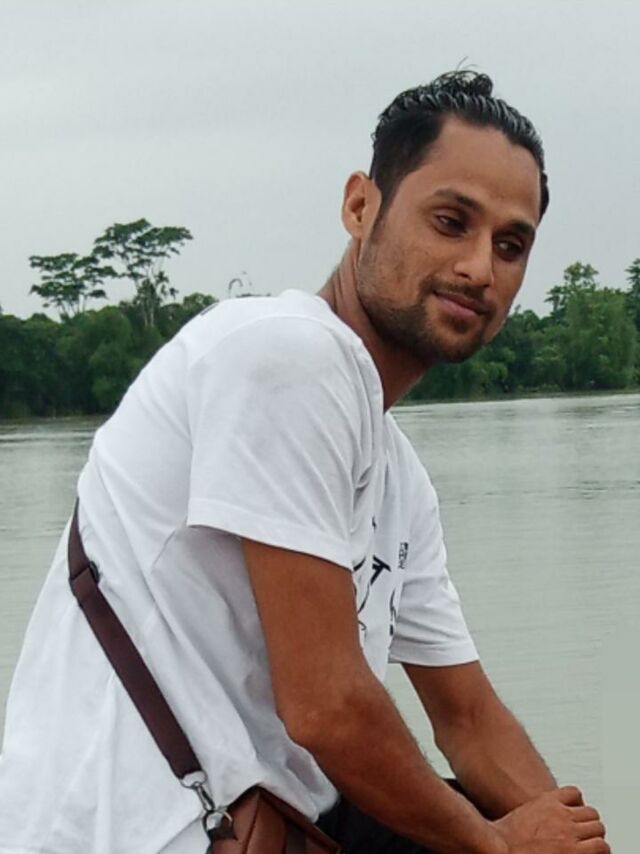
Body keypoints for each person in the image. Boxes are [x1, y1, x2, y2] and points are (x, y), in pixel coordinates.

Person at [0, 71, 608, 854]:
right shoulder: (287, 356)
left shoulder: (396, 476)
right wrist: (500, 846)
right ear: (361, 207)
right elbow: (326, 706)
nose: (479, 267)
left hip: (267, 825)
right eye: (451, 221)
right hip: (135, 833)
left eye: (510, 245)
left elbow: (467, 718)